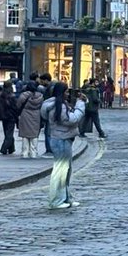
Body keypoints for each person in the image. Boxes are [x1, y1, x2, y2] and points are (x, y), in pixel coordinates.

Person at [41, 82, 86, 210]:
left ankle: (65, 198)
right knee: (60, 171)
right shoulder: (58, 106)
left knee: (66, 170)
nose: (68, 94)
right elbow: (71, 119)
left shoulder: (58, 105)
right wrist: (80, 105)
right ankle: (56, 200)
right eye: (66, 92)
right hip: (61, 140)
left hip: (62, 139)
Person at [16, 77, 44, 158]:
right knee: (34, 134)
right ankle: (33, 152)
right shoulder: (40, 96)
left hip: (25, 114)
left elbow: (18, 105)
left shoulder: (23, 95)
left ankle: (25, 152)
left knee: (25, 134)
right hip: (36, 115)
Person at [0, 81, 19, 156]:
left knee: (7, 132)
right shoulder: (12, 96)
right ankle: (4, 148)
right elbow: (15, 107)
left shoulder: (0, 95)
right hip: (11, 116)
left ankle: (11, 148)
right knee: (9, 133)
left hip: (3, 116)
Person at [39, 73, 54, 154]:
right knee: (48, 131)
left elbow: (51, 101)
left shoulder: (50, 88)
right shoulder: (50, 87)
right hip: (50, 112)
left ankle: (49, 150)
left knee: (48, 132)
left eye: (42, 81)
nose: (41, 82)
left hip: (50, 112)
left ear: (46, 80)